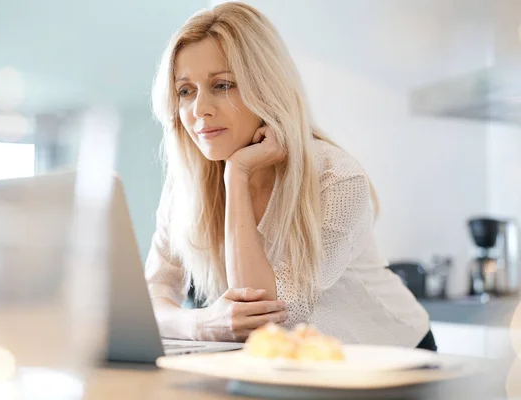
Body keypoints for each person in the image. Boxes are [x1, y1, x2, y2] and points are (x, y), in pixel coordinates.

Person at [146, 1, 435, 350]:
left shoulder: (337, 178)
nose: (199, 110)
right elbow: (153, 294)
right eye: (185, 90)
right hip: (299, 362)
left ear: (264, 88)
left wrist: (237, 175)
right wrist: (201, 324)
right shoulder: (187, 183)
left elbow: (268, 319)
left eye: (222, 85)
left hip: (391, 355)